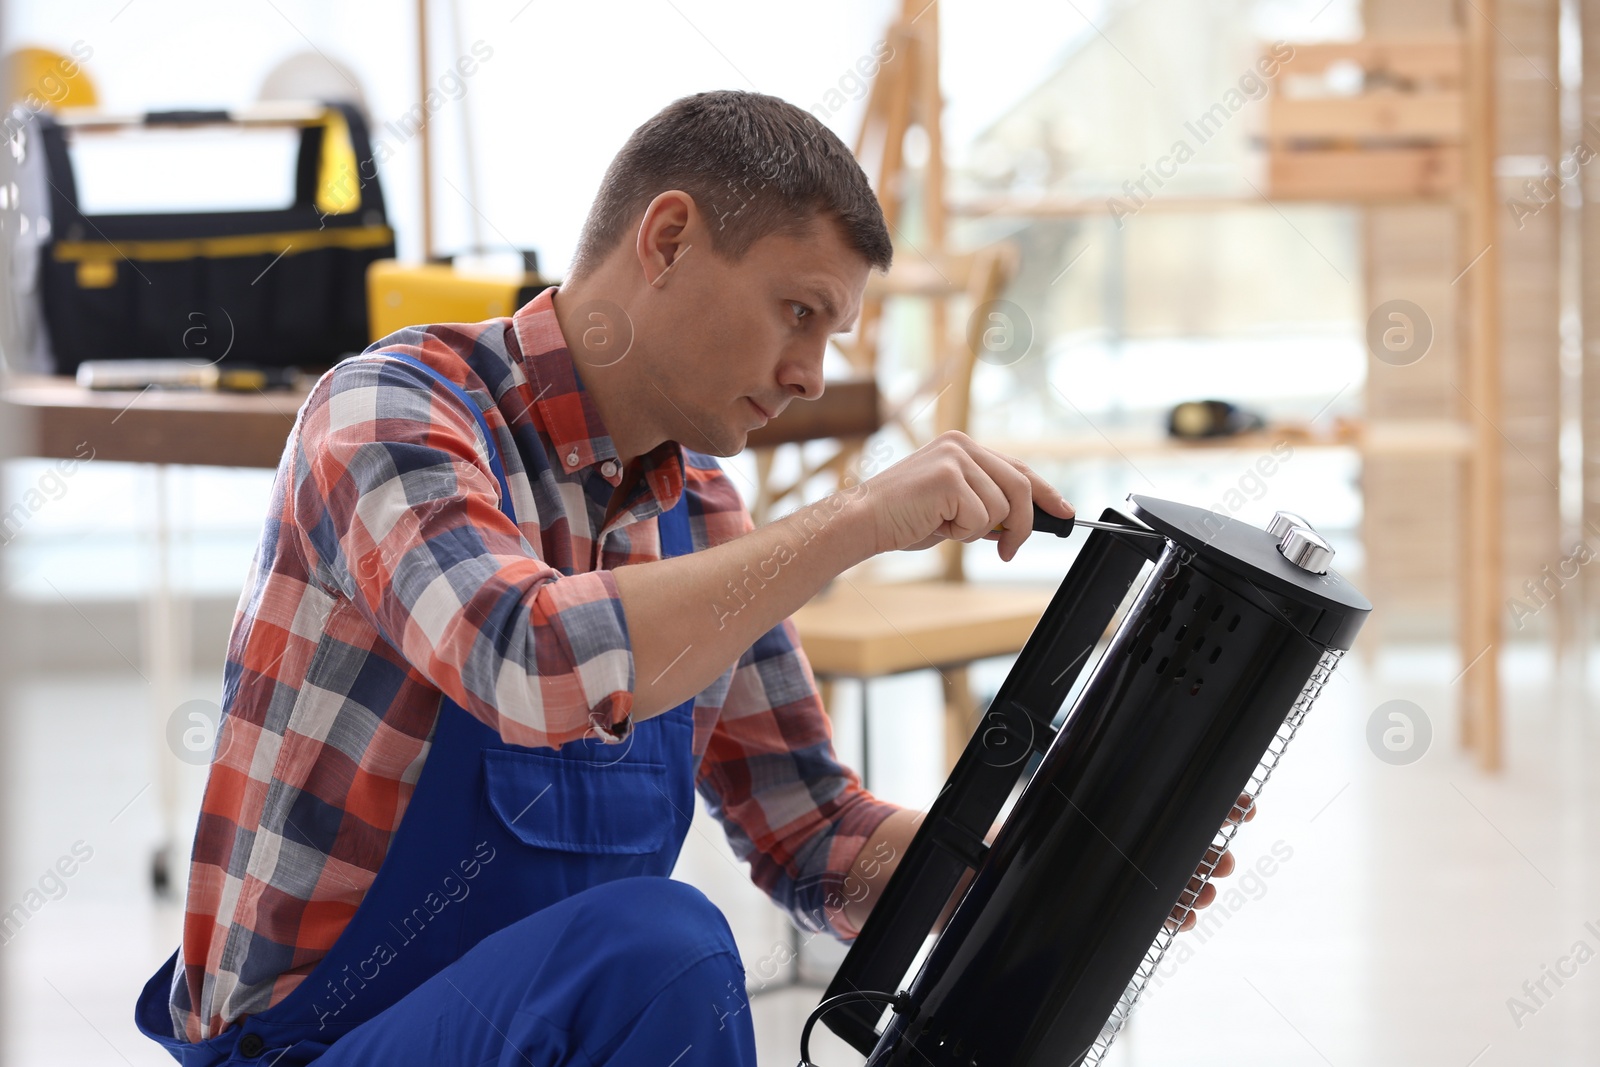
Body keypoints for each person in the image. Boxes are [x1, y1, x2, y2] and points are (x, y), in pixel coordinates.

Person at [133, 89, 1240, 1067]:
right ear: (667, 239)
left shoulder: (701, 511)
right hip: (319, 1045)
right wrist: (854, 520)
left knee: (651, 951)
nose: (809, 374)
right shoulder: (392, 410)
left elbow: (812, 834)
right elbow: (520, 653)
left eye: (832, 334)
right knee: (659, 945)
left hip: (540, 1047)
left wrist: (1043, 864)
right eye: (797, 312)